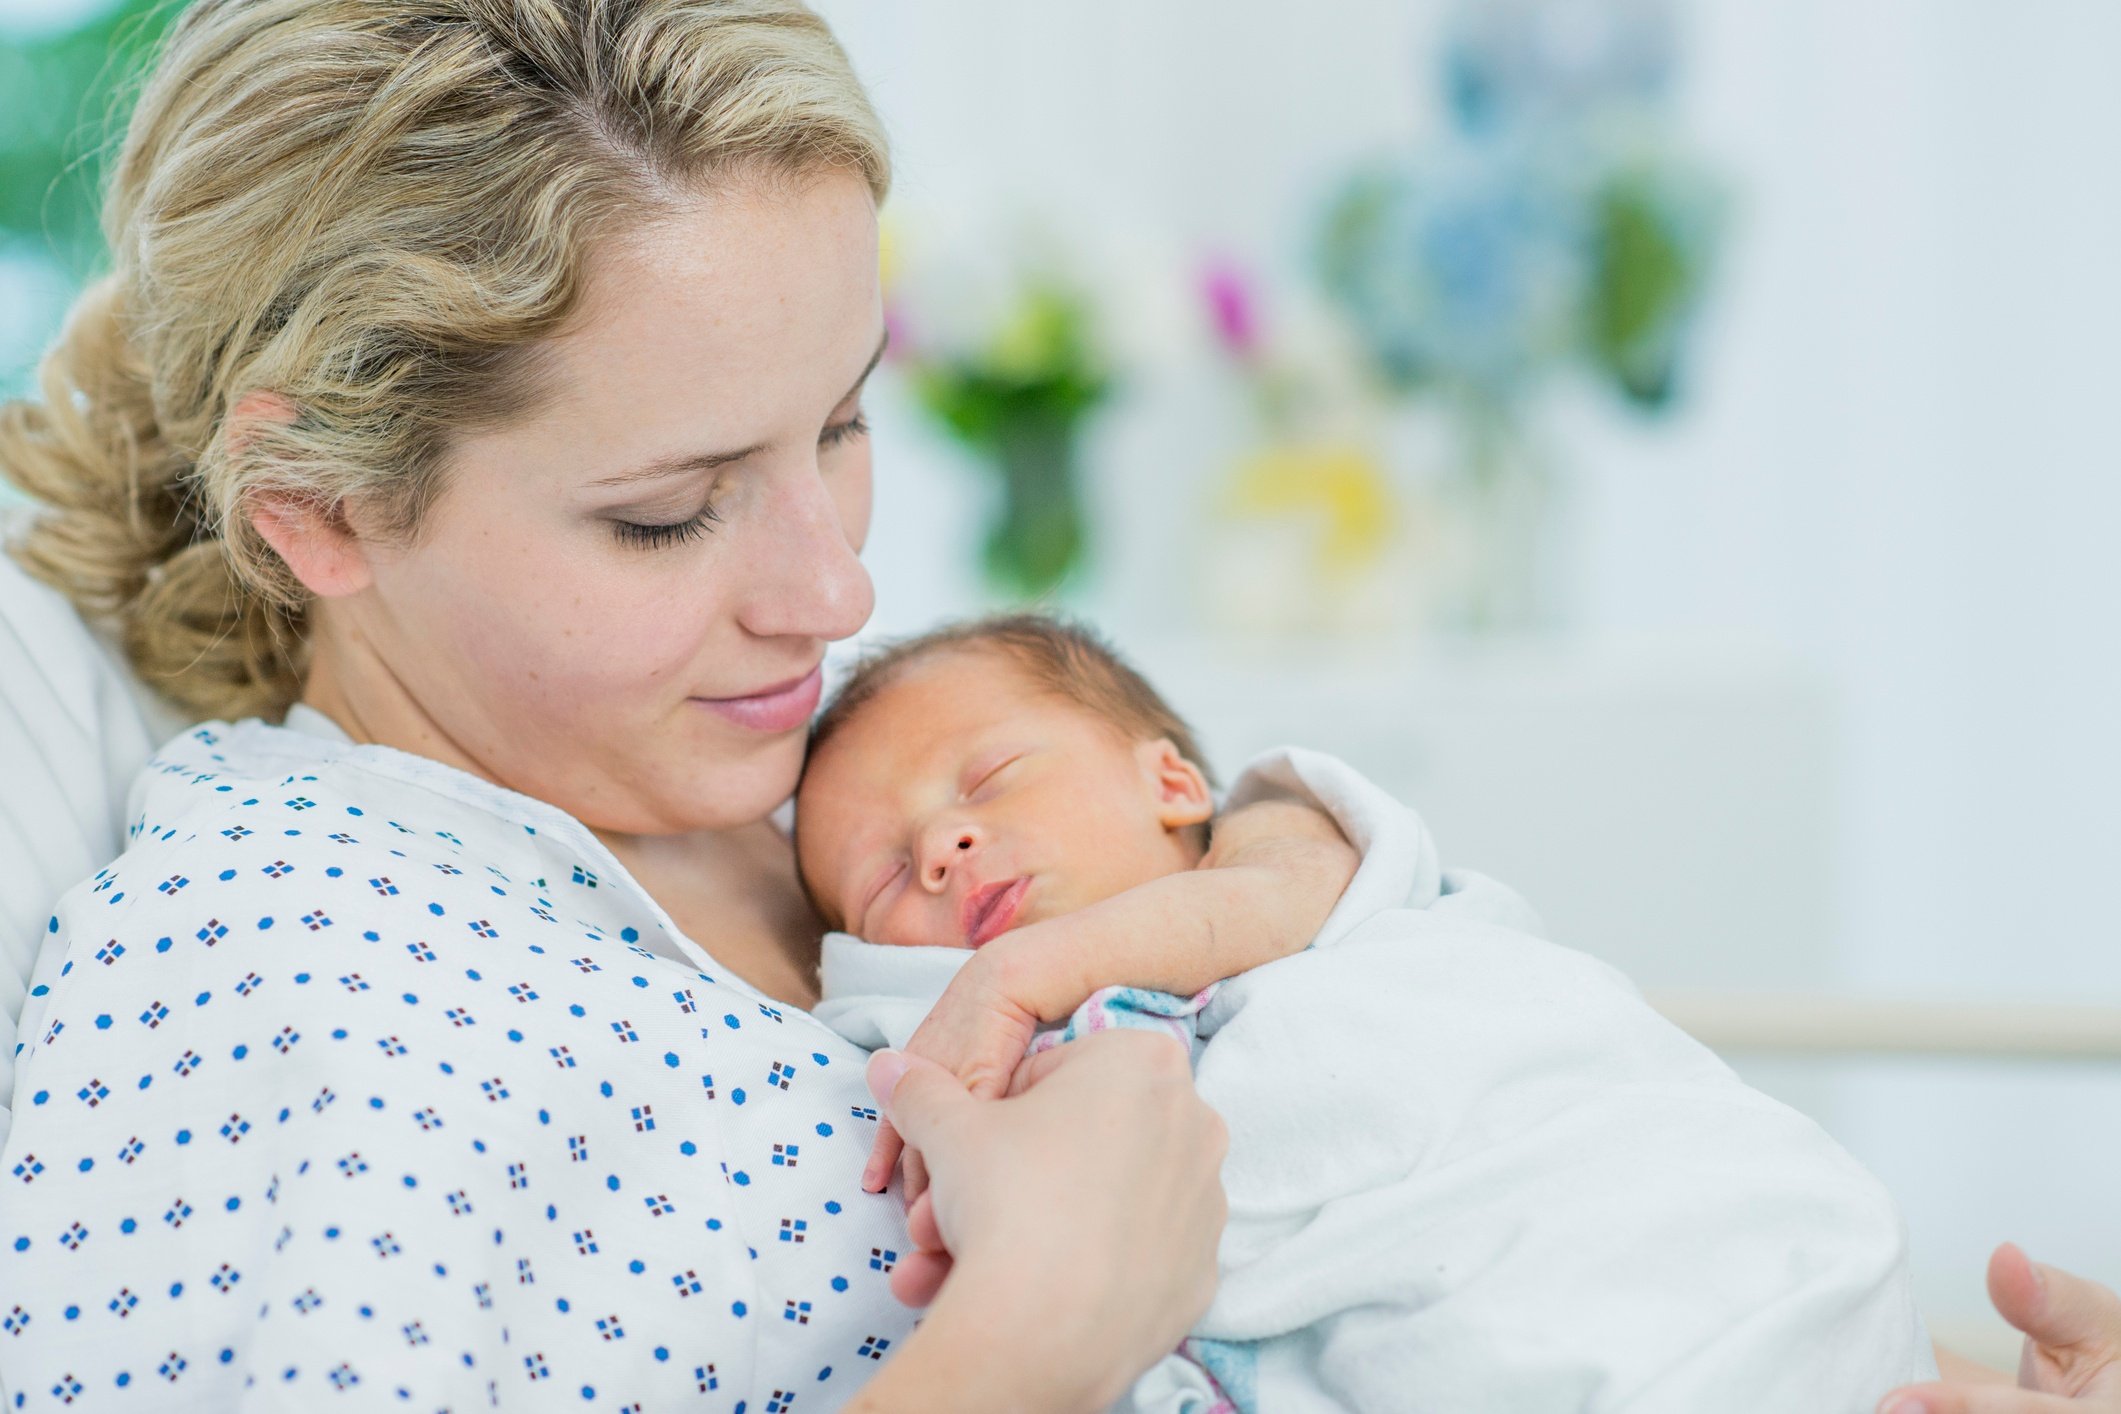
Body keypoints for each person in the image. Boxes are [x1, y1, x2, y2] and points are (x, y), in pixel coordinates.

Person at [0, 1, 1231, 1407]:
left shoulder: (819, 786)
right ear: (317, 508)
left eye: (839, 422)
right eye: (667, 514)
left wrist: (1271, 863)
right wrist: (1037, 1331)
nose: (837, 595)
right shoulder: (262, 965)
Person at [796, 614, 1937, 1411]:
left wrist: (1020, 971)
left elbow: (1255, 898)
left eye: (989, 779)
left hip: (1723, 1247)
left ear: (1174, 785)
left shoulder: (1316, 874)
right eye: (888, 879)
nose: (943, 848)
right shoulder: (955, 1052)